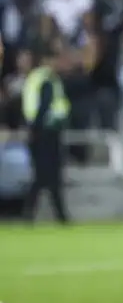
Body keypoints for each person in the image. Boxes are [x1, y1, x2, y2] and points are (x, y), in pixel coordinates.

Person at [22, 52, 71, 224]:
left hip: (40, 132)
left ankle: (39, 214)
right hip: (46, 133)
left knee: (43, 177)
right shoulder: (47, 80)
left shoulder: (38, 78)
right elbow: (44, 107)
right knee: (48, 176)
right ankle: (58, 216)